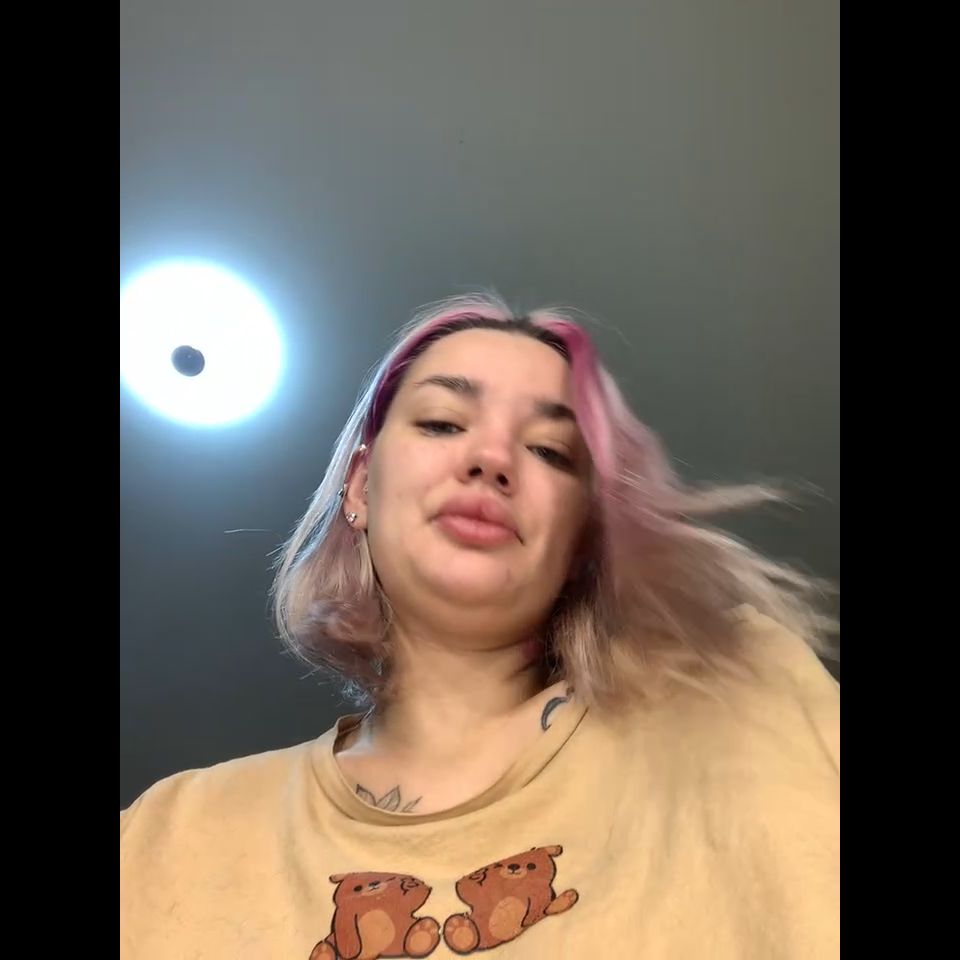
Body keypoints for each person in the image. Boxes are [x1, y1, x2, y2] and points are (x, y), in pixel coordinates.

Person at [120, 292, 839, 959]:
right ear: (361, 485)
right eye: (442, 422)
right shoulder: (170, 831)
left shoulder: (747, 699)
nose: (492, 459)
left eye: (551, 451)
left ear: (584, 537)